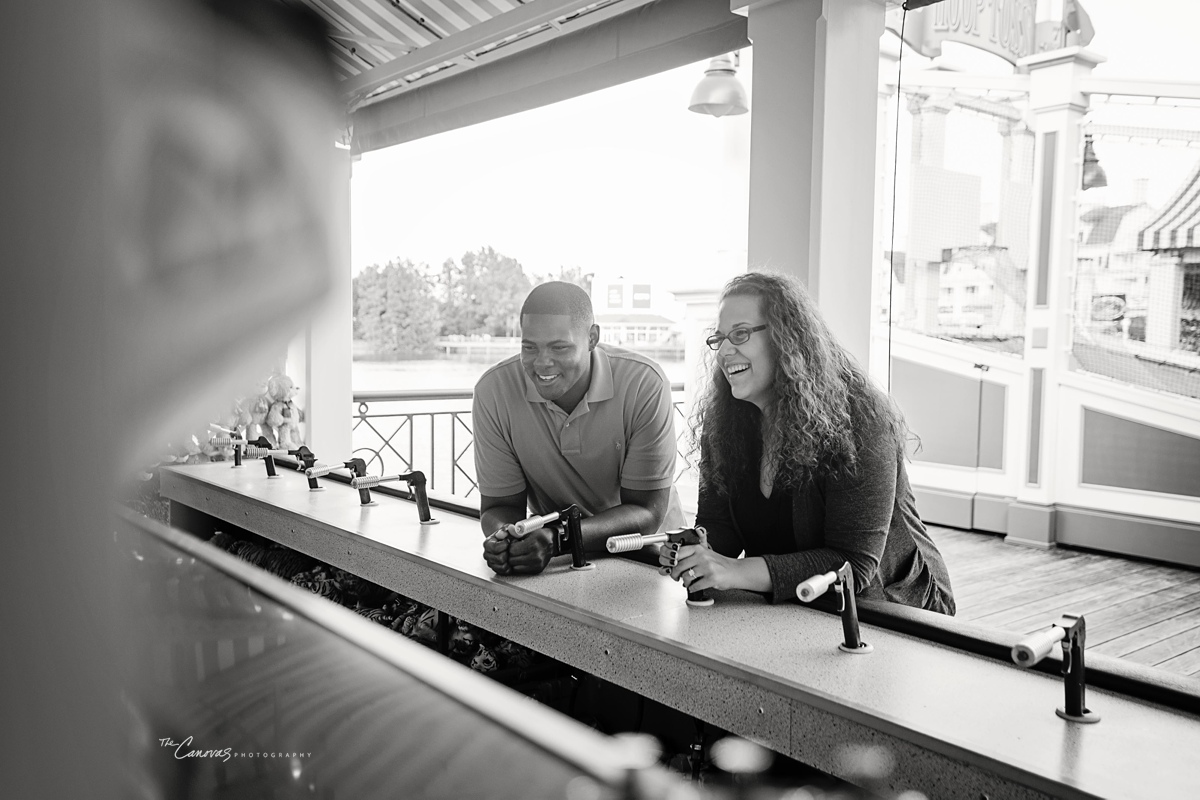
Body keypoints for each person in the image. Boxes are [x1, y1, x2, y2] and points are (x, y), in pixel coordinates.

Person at [661, 272, 955, 614]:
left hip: (892, 608)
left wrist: (735, 571)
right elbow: (721, 529)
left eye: (740, 334)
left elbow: (853, 565)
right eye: (720, 338)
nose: (725, 351)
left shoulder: (862, 421)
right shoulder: (724, 421)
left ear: (787, 339)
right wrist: (695, 550)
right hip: (794, 606)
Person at [473, 281, 686, 574]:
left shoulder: (644, 383)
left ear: (592, 338)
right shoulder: (493, 391)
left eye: (559, 347)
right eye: (529, 347)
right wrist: (506, 539)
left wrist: (559, 539)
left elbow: (647, 512)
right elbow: (499, 507)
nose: (542, 363)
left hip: (654, 558)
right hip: (558, 560)